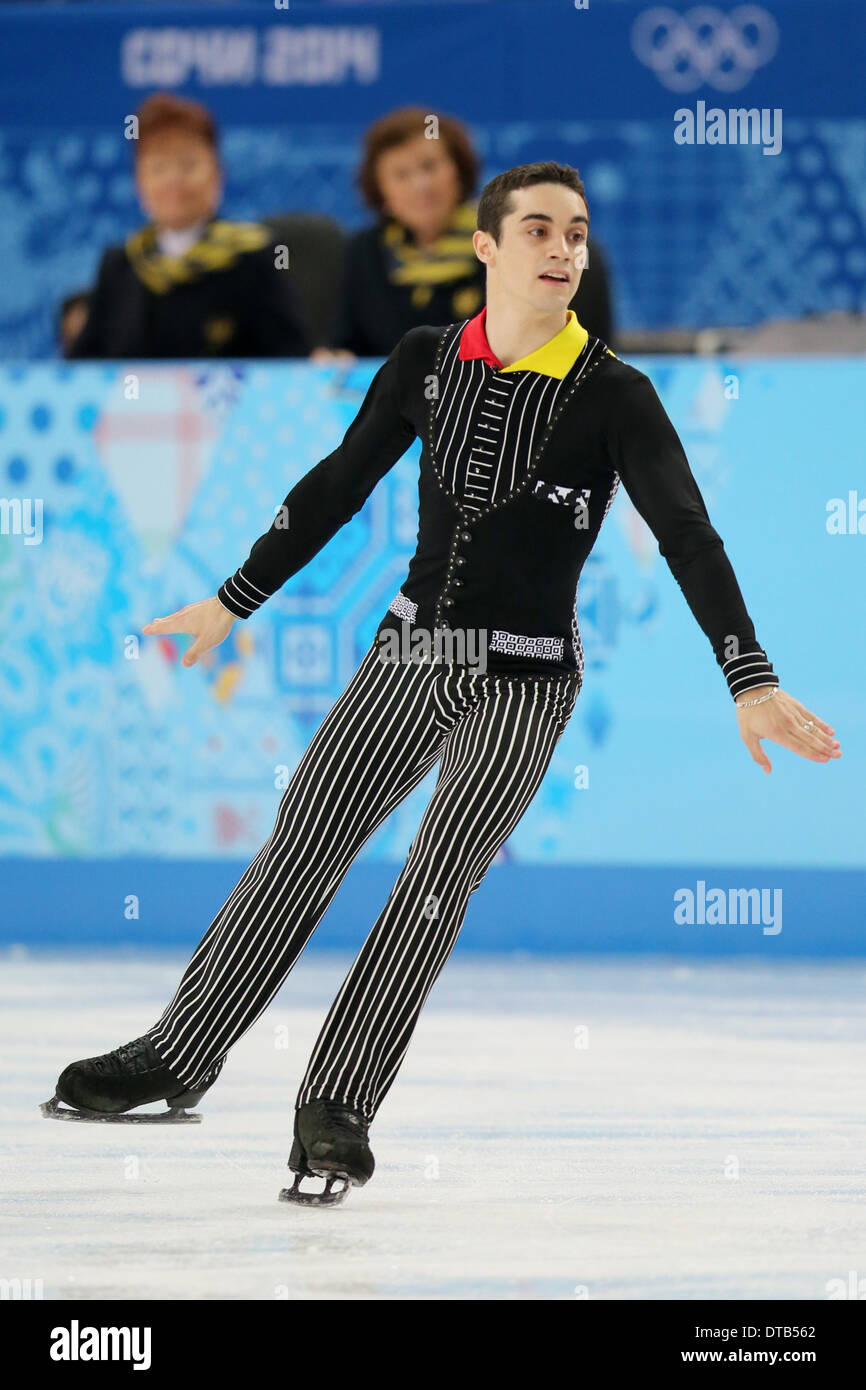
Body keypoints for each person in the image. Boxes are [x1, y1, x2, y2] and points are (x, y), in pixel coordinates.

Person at [44, 162, 840, 1207]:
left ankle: (336, 1108)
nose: (564, 251)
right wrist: (235, 598)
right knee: (300, 846)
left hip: (524, 679)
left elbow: (687, 537)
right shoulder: (424, 362)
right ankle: (177, 1054)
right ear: (487, 247)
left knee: (433, 882)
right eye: (541, 231)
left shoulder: (613, 394)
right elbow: (336, 482)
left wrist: (748, 674)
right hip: (406, 656)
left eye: (578, 233)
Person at [312, 107, 615, 364]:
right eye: (401, 175)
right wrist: (336, 359)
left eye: (429, 167)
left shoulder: (509, 240)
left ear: (459, 172)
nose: (421, 185)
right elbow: (347, 346)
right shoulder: (365, 250)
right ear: (382, 192)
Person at [64, 93, 310, 360]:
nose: (173, 180)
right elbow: (86, 370)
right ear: (139, 181)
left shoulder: (254, 257)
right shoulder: (121, 265)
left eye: (188, 165)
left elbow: (292, 361)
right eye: (158, 167)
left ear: (217, 174)